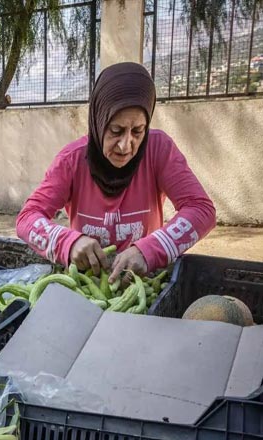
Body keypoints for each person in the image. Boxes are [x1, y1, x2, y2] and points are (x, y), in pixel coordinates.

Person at [16, 62, 216, 283]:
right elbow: (27, 218)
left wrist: (148, 250)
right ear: (99, 121)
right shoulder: (72, 160)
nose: (125, 146)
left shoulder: (159, 150)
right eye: (115, 131)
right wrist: (68, 242)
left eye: (138, 131)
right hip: (88, 281)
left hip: (142, 279)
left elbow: (201, 210)